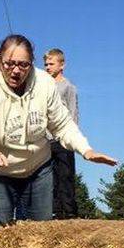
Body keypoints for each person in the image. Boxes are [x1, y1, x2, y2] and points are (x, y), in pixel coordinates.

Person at [0, 34, 116, 236]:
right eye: (9, 64)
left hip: (38, 169)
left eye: (23, 65)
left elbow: (63, 124)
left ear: (31, 63)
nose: (15, 71)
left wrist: (86, 149)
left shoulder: (44, 84)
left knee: (40, 236)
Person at [43, 48, 79, 219]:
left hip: (64, 137)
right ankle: (56, 211)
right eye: (46, 64)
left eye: (51, 63)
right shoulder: (44, 87)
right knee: (51, 177)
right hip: (46, 139)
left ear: (62, 65)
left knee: (65, 175)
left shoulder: (68, 87)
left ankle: (69, 211)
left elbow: (73, 112)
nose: (47, 67)